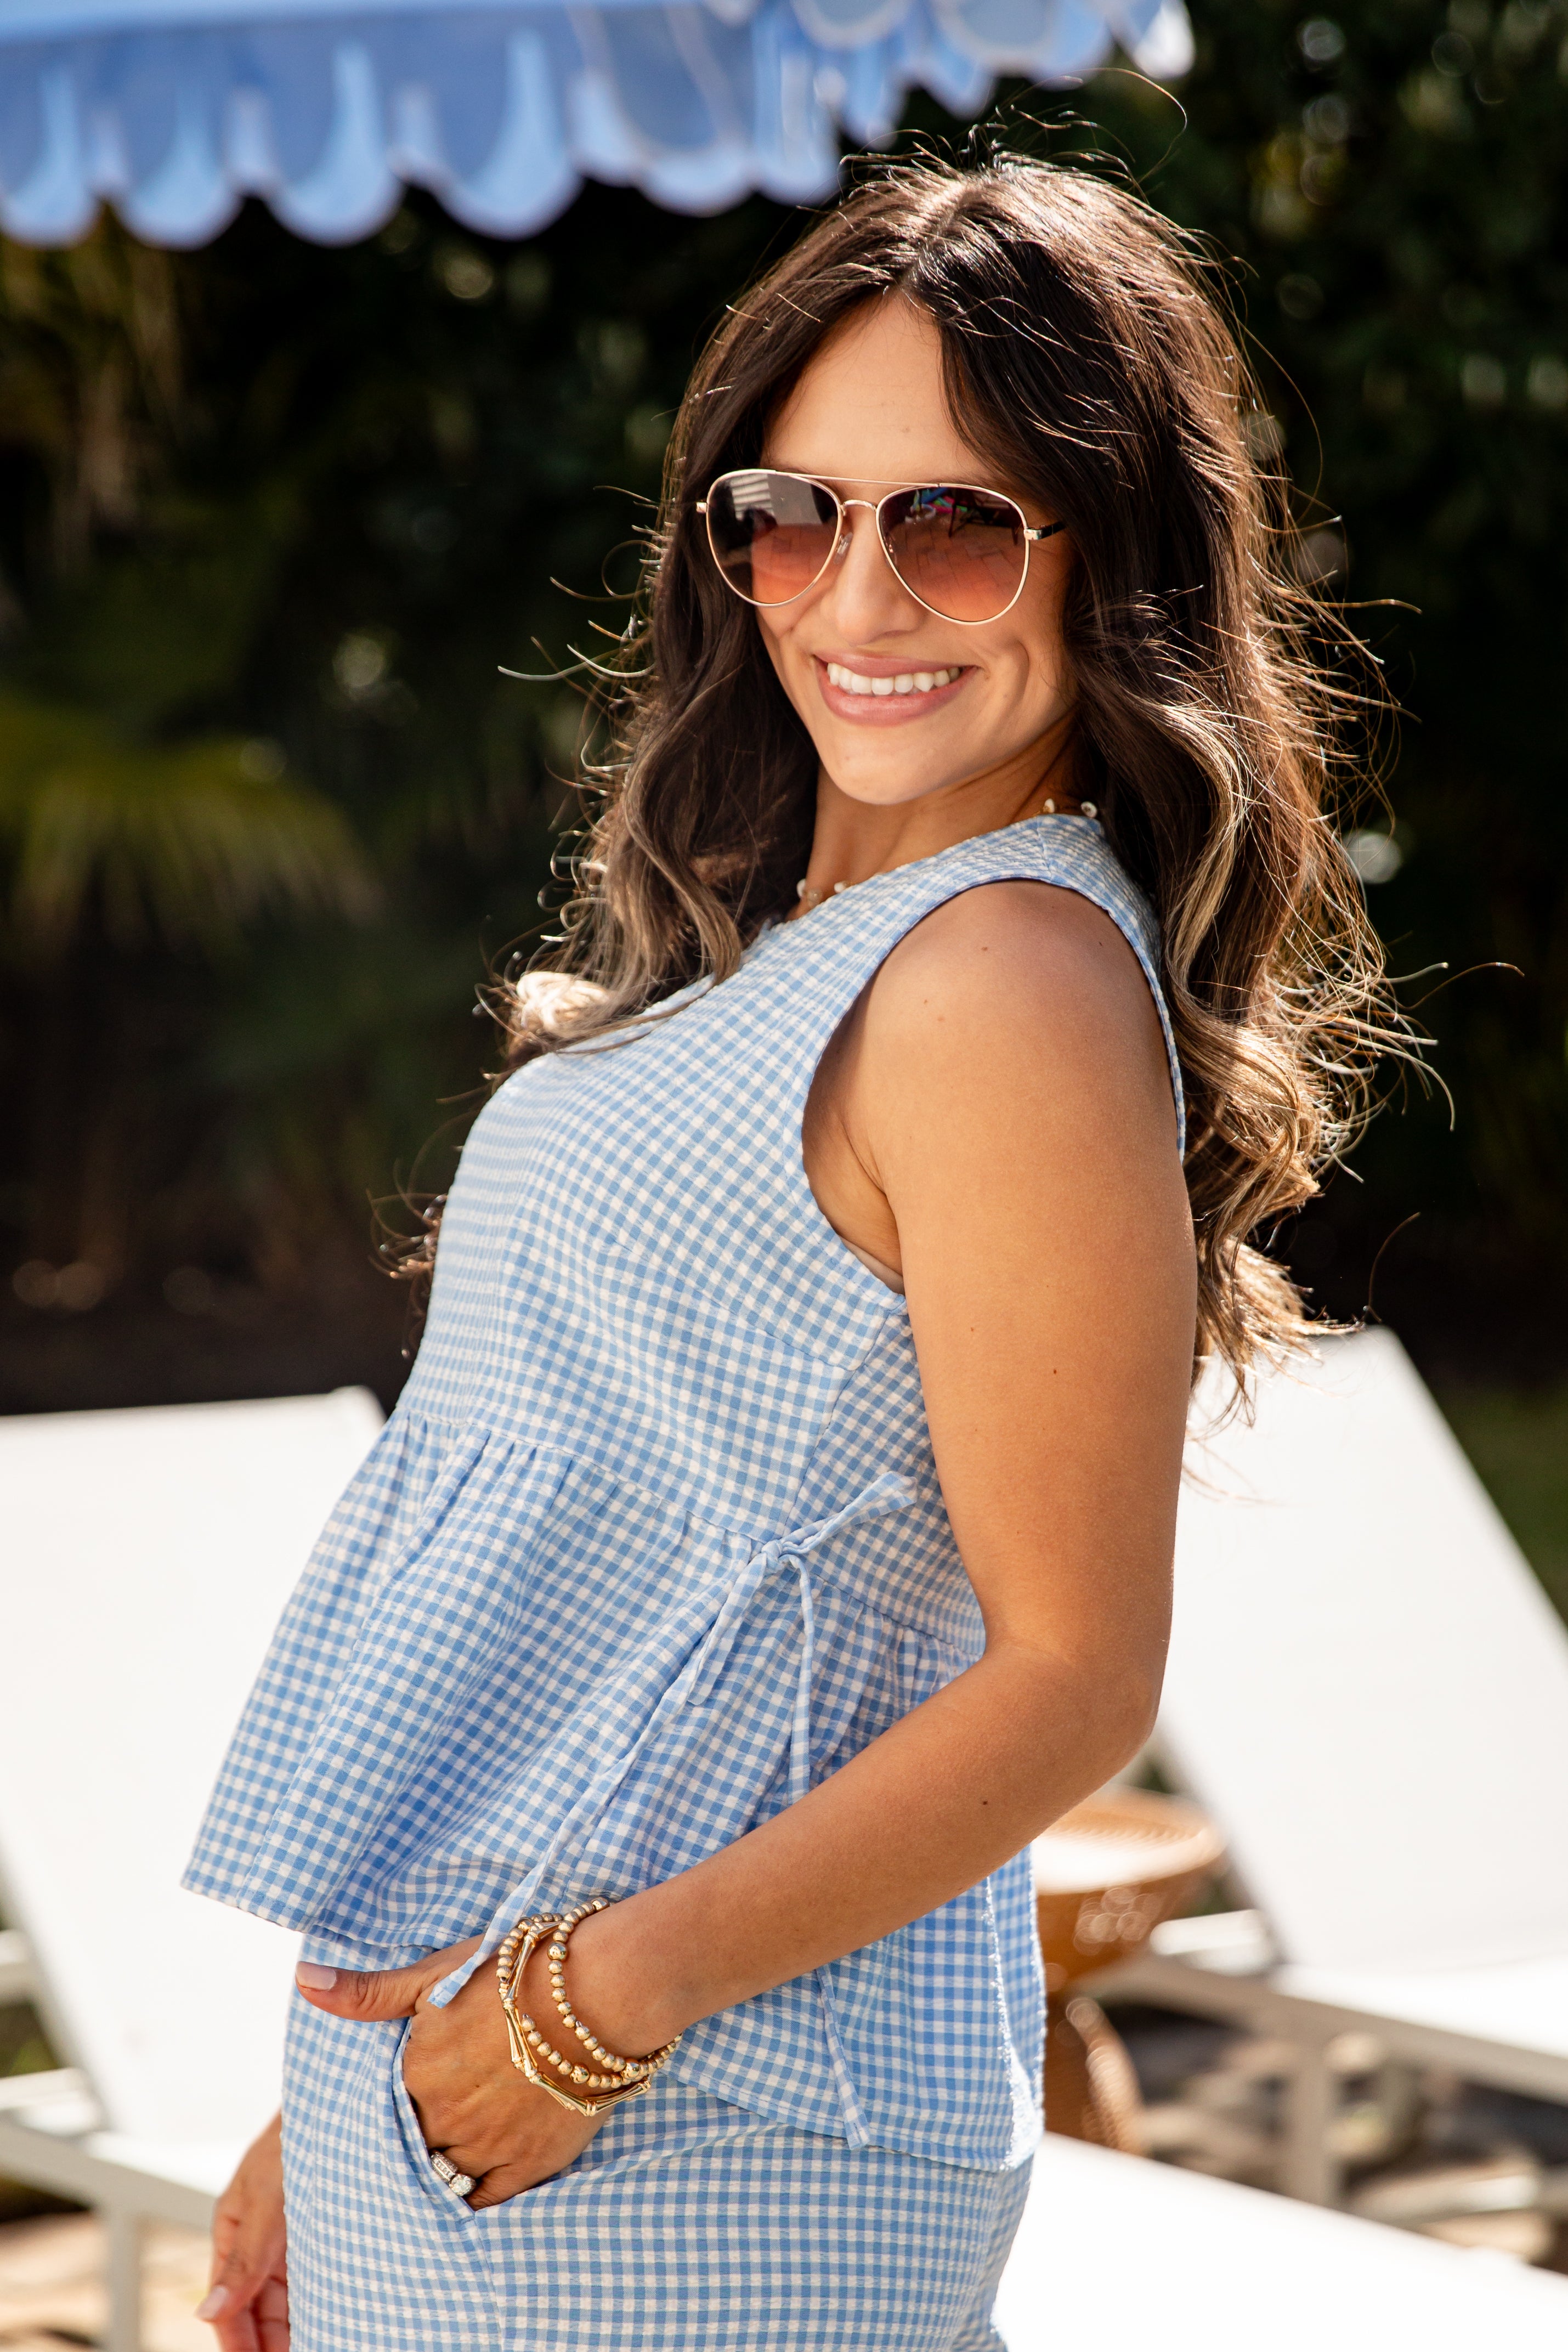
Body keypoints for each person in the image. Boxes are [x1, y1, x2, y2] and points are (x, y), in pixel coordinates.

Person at [187, 156, 1387, 2351]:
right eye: (791, 513)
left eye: (951, 521)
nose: (859, 594)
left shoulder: (1004, 971)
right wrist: (338, 2091)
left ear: (1102, 554)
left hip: (669, 2102)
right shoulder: (811, 949)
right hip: (491, 2100)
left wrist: (576, 2010)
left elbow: (1070, 1678)